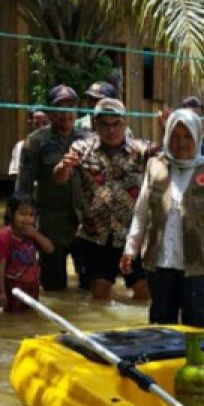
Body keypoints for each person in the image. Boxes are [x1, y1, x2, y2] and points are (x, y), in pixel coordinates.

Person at [120, 108, 204, 327]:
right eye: (175, 136)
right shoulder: (155, 166)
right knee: (161, 326)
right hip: (161, 263)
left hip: (198, 265)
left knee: (195, 324)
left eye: (187, 137)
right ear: (167, 136)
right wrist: (130, 250)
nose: (180, 143)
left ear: (198, 137)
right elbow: (141, 212)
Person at [54, 98, 151, 302]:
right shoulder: (81, 148)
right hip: (97, 235)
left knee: (144, 290)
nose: (111, 130)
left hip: (132, 236)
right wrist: (64, 166)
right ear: (95, 125)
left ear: (125, 123)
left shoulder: (141, 151)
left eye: (116, 124)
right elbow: (59, 178)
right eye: (104, 124)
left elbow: (169, 158)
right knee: (99, 293)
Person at [14, 84, 89, 291]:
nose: (65, 114)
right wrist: (19, 227)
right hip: (51, 223)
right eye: (59, 108)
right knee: (54, 287)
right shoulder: (35, 142)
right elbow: (23, 188)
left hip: (85, 223)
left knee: (90, 286)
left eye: (70, 107)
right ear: (49, 111)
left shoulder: (89, 139)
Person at [0, 194, 54, 314]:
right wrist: (1, 292)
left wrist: (36, 235)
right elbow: (0, 265)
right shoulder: (5, 236)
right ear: (11, 213)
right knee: (14, 317)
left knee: (31, 315)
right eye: (22, 214)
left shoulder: (32, 235)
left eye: (31, 215)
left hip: (32, 284)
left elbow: (50, 249)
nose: (27, 219)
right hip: (14, 286)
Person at [8, 107, 50, 176]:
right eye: (37, 124)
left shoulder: (56, 145)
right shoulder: (21, 146)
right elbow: (14, 174)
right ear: (30, 124)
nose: (41, 127)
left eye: (45, 123)